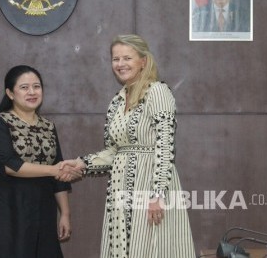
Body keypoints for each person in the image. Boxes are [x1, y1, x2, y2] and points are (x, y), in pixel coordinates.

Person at [63, 34, 196, 257]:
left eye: (127, 58)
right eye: (116, 59)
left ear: (143, 61)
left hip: (151, 189)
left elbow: (165, 147)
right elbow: (114, 152)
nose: (120, 64)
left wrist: (158, 195)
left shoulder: (158, 92)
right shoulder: (117, 100)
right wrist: (81, 164)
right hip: (120, 190)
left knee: (153, 249)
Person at [0, 65, 82, 258]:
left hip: (42, 207)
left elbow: (58, 172)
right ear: (10, 93)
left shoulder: (48, 126)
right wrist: (54, 170)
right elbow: (9, 165)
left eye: (36, 87)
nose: (32, 92)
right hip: (6, 206)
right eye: (24, 87)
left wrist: (65, 214)